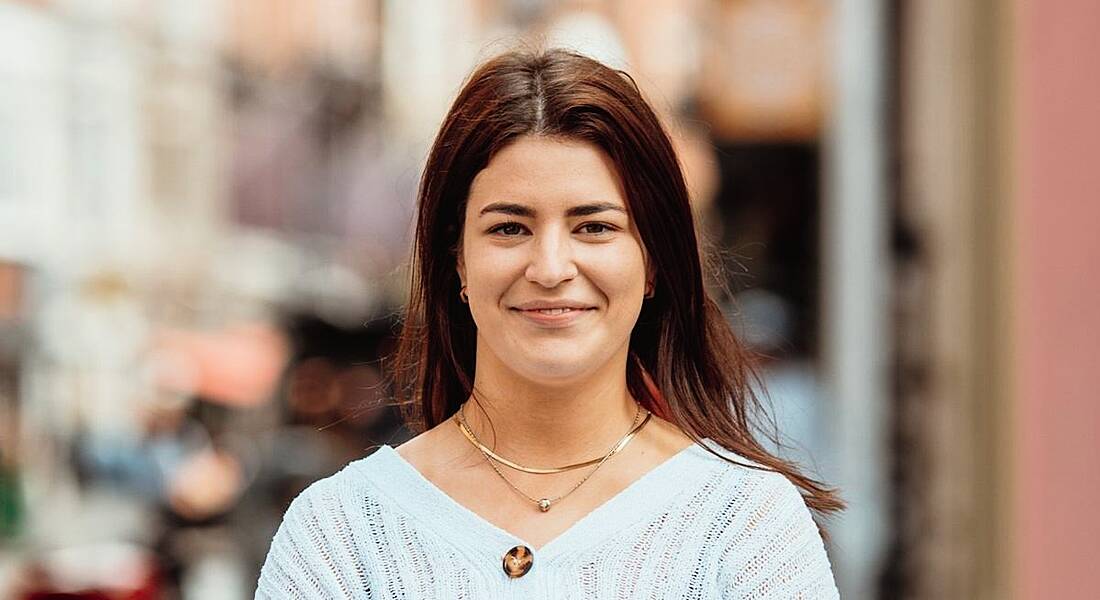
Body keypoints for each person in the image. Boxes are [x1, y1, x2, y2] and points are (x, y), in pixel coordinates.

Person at [255, 48, 843, 599]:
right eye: (510, 228)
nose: (551, 268)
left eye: (594, 227)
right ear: (456, 259)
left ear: (653, 261)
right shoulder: (340, 536)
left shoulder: (746, 530)